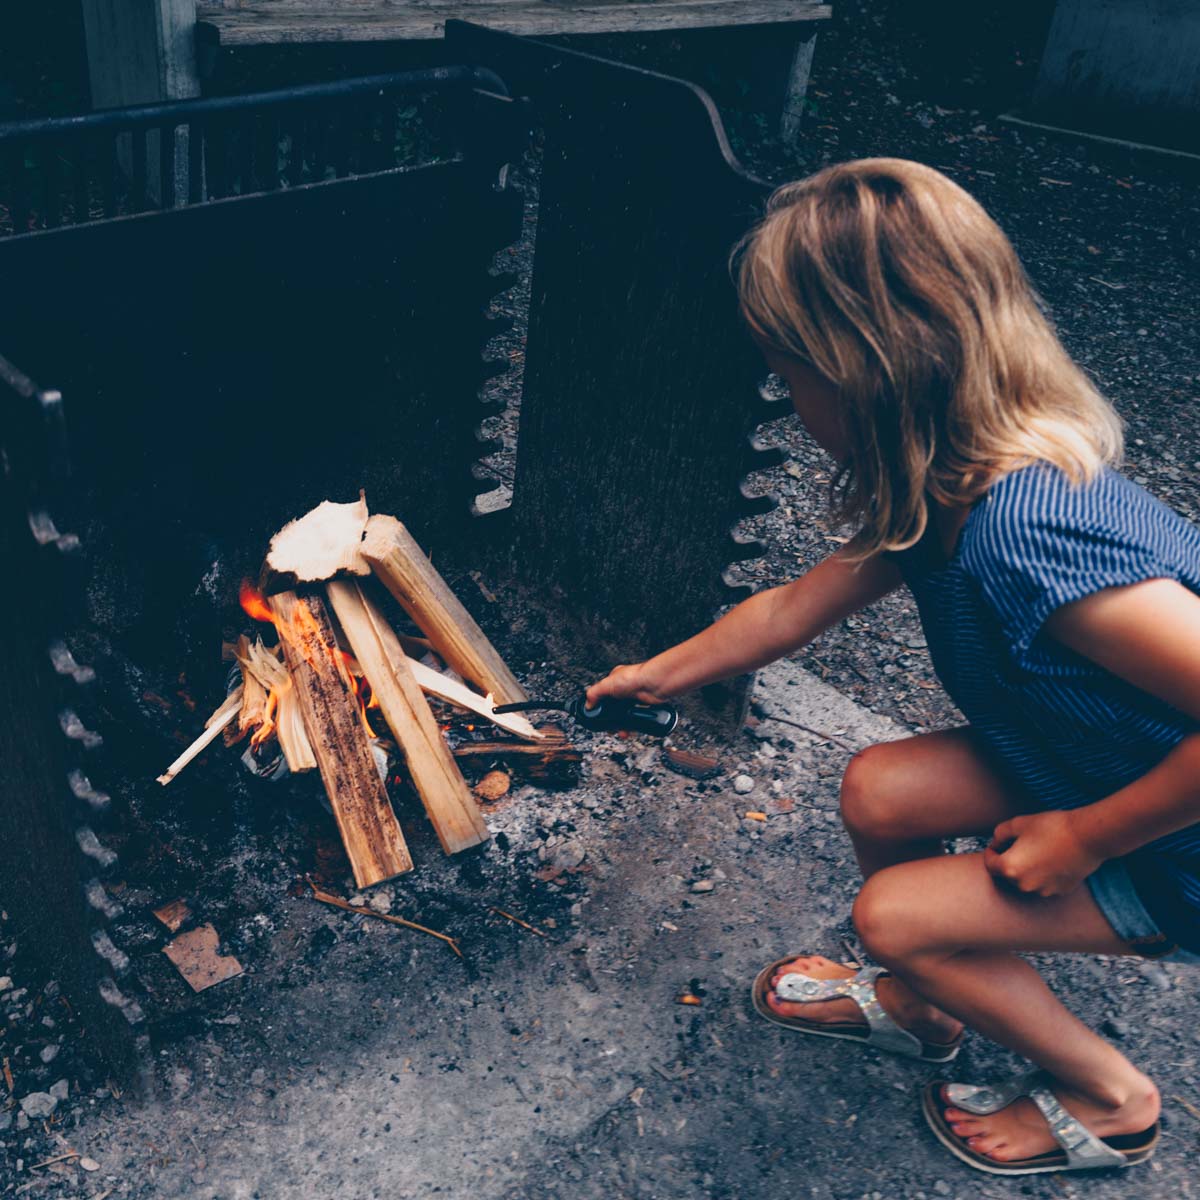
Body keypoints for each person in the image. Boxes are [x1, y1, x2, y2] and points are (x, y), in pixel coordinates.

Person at [587, 158, 1200, 1177]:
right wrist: (661, 675)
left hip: (1172, 842)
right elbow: (792, 608)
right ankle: (923, 1004)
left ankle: (1114, 1098)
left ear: (866, 373)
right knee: (880, 789)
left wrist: (1086, 840)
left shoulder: (1032, 532)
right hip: (1092, 761)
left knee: (893, 914)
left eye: (791, 376)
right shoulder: (938, 487)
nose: (787, 403)